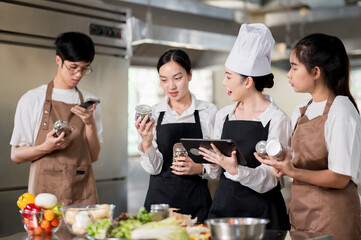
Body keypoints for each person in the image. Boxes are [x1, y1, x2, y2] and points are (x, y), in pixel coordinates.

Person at [255, 33, 361, 239]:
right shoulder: (302, 111)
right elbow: (303, 160)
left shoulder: (341, 111)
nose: (288, 74)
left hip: (334, 219)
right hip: (302, 215)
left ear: (315, 72)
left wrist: (291, 171)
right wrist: (282, 162)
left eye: (294, 67)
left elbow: (339, 178)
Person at [199, 23, 291, 230]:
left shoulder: (277, 119)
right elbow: (214, 173)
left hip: (262, 217)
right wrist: (213, 163)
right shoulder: (223, 115)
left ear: (248, 81)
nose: (224, 82)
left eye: (228, 76)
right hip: (224, 211)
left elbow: (271, 178)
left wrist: (236, 169)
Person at [10, 32, 102, 206]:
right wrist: (46, 147)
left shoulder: (89, 102)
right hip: (45, 200)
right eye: (73, 67)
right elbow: (16, 155)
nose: (78, 74)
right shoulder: (32, 99)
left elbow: (94, 156)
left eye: (84, 68)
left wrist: (89, 123)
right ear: (58, 60)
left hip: (81, 196)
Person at [134, 49, 218, 223]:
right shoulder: (154, 113)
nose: (170, 86)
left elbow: (219, 163)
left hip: (197, 202)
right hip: (160, 206)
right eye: (164, 80)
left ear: (190, 75)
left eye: (177, 78)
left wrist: (200, 168)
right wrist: (147, 141)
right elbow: (153, 168)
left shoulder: (208, 112)